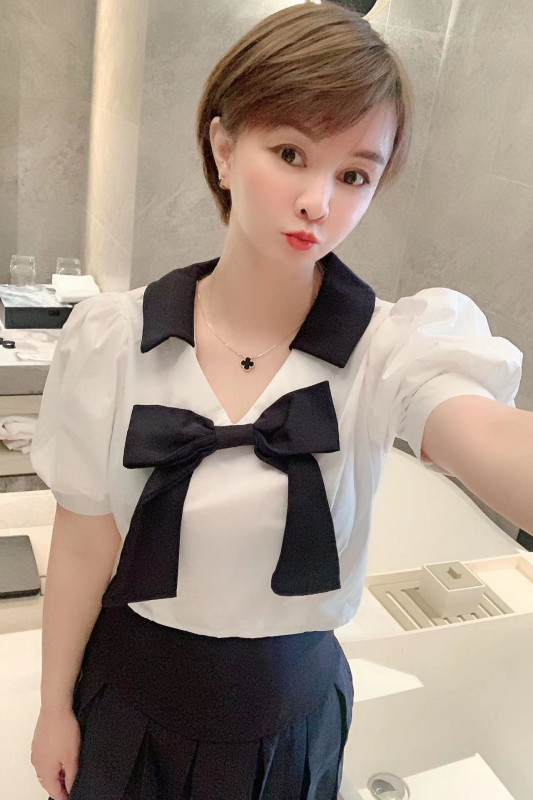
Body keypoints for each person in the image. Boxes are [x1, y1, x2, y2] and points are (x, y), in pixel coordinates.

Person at [29, 3, 523, 800]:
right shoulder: (112, 339)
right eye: (290, 153)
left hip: (288, 718)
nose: (317, 201)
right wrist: (53, 707)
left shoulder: (392, 349)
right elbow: (85, 543)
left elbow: (487, 435)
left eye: (353, 175)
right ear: (223, 148)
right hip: (127, 697)